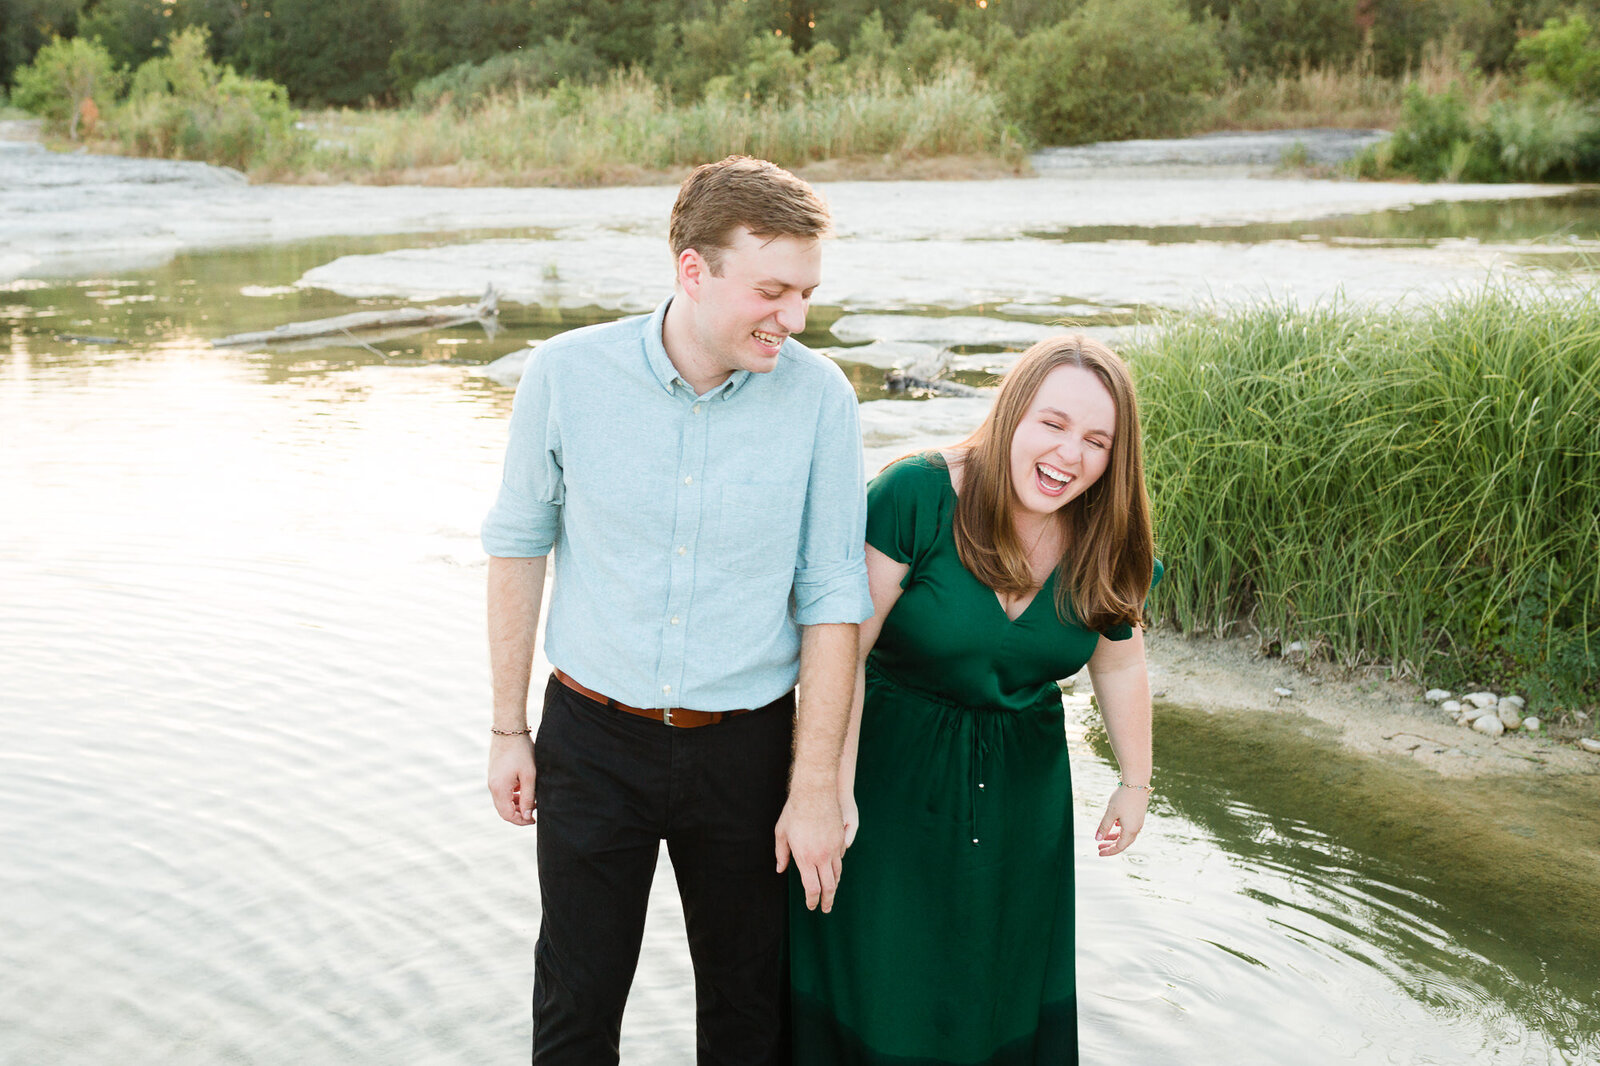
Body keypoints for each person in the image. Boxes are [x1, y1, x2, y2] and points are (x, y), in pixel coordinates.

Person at [482, 155, 872, 1066]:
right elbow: (517, 546)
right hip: (589, 738)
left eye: (807, 293)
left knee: (749, 1019)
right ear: (693, 270)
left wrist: (813, 787)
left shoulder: (823, 400)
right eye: (772, 290)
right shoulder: (565, 374)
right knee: (575, 1009)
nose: (795, 318)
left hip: (748, 751)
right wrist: (508, 728)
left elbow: (830, 599)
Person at [789, 335, 1161, 1066]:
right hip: (887, 780)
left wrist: (1136, 782)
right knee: (881, 981)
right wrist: (829, 788)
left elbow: (1119, 666)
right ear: (1012, 414)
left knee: (997, 986)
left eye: (1096, 440)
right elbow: (844, 652)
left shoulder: (1111, 539)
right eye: (1052, 424)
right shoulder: (916, 495)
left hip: (1024, 801)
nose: (1069, 455)